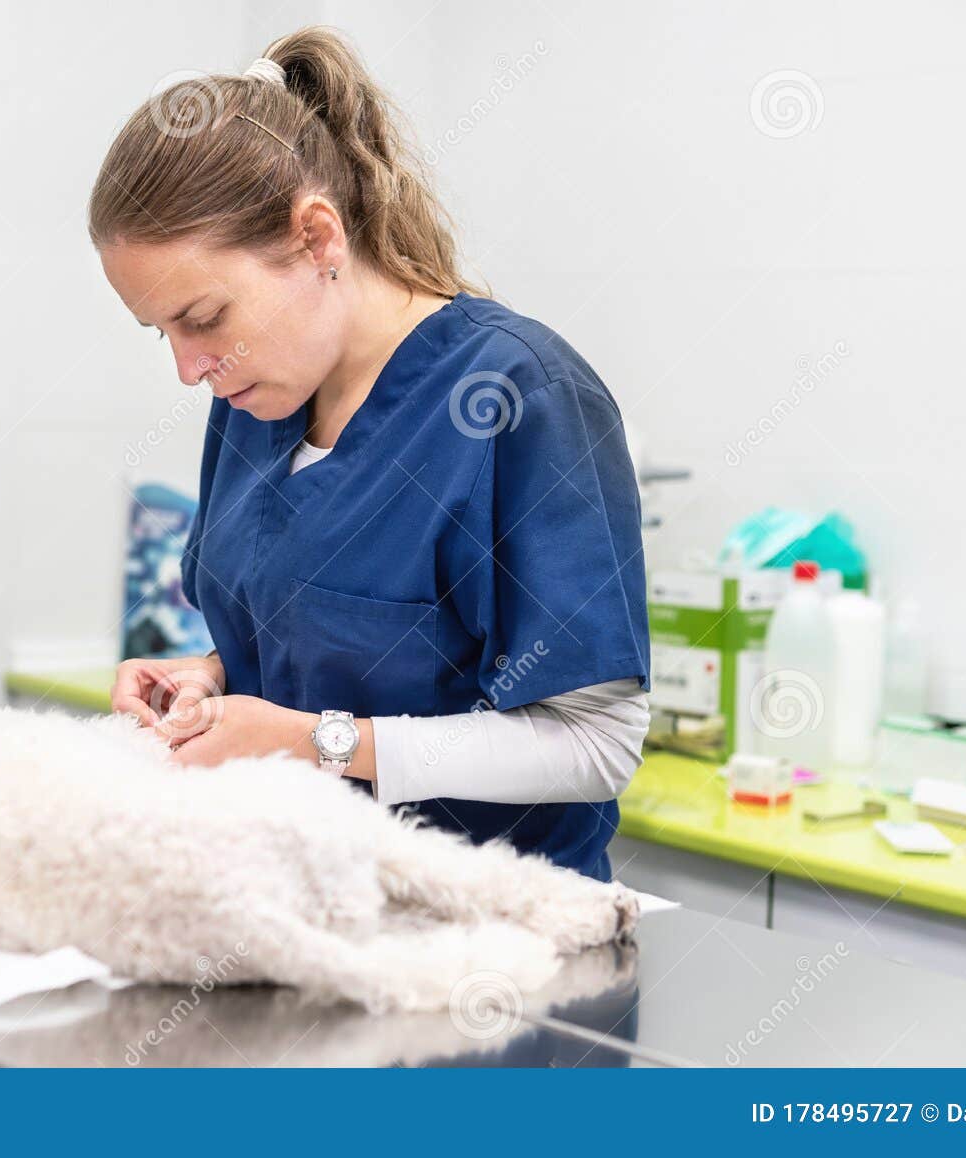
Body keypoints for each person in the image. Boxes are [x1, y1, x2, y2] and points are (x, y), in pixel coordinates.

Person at [92, 27, 649, 881]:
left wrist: (321, 744)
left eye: (203, 319)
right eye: (161, 331)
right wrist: (203, 683)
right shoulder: (260, 400)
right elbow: (309, 643)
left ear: (317, 239)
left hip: (490, 934)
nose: (187, 368)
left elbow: (598, 742)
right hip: (302, 904)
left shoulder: (517, 397)